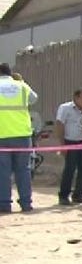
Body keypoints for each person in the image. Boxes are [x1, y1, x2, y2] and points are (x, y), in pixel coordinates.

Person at [0, 63, 38, 213]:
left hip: (1, 135)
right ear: (11, 73)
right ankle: (26, 203)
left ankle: (4, 204)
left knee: (3, 171)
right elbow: (34, 99)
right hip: (22, 135)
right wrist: (21, 82)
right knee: (23, 170)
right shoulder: (21, 86)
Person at [56, 89, 82, 205]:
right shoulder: (65, 108)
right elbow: (60, 124)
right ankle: (63, 196)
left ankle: (78, 195)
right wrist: (62, 145)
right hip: (69, 142)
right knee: (70, 170)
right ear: (76, 98)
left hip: (80, 142)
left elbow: (80, 128)